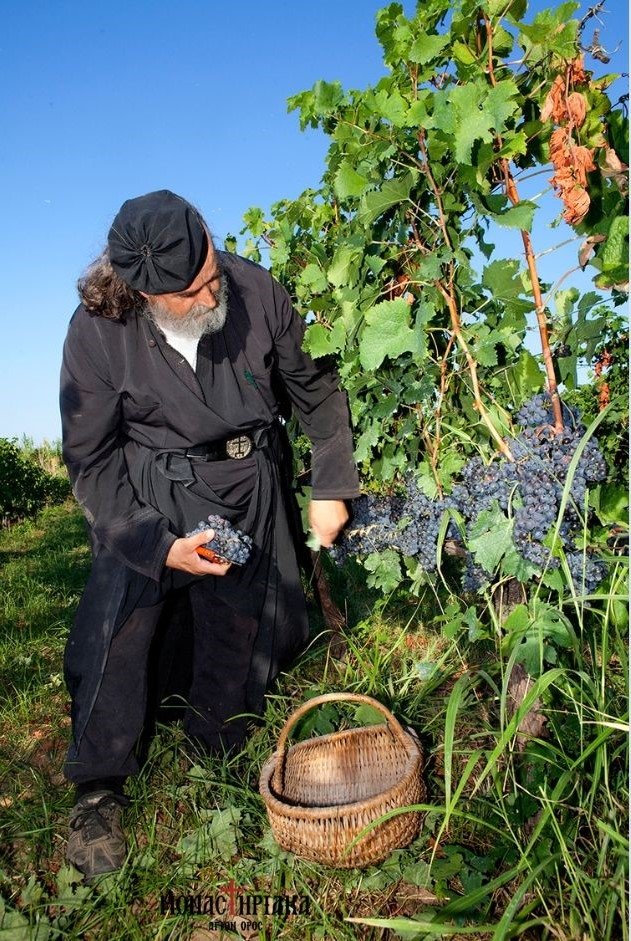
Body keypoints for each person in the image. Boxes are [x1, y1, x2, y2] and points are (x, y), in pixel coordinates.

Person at [60, 189, 360, 879]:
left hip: (248, 478)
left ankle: (215, 748)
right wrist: (153, 543)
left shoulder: (255, 287)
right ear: (140, 293)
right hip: (150, 487)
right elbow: (92, 458)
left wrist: (331, 485)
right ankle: (99, 784)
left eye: (211, 272)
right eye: (193, 290)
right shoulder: (96, 332)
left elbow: (314, 388)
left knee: (250, 627)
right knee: (120, 619)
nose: (212, 290)